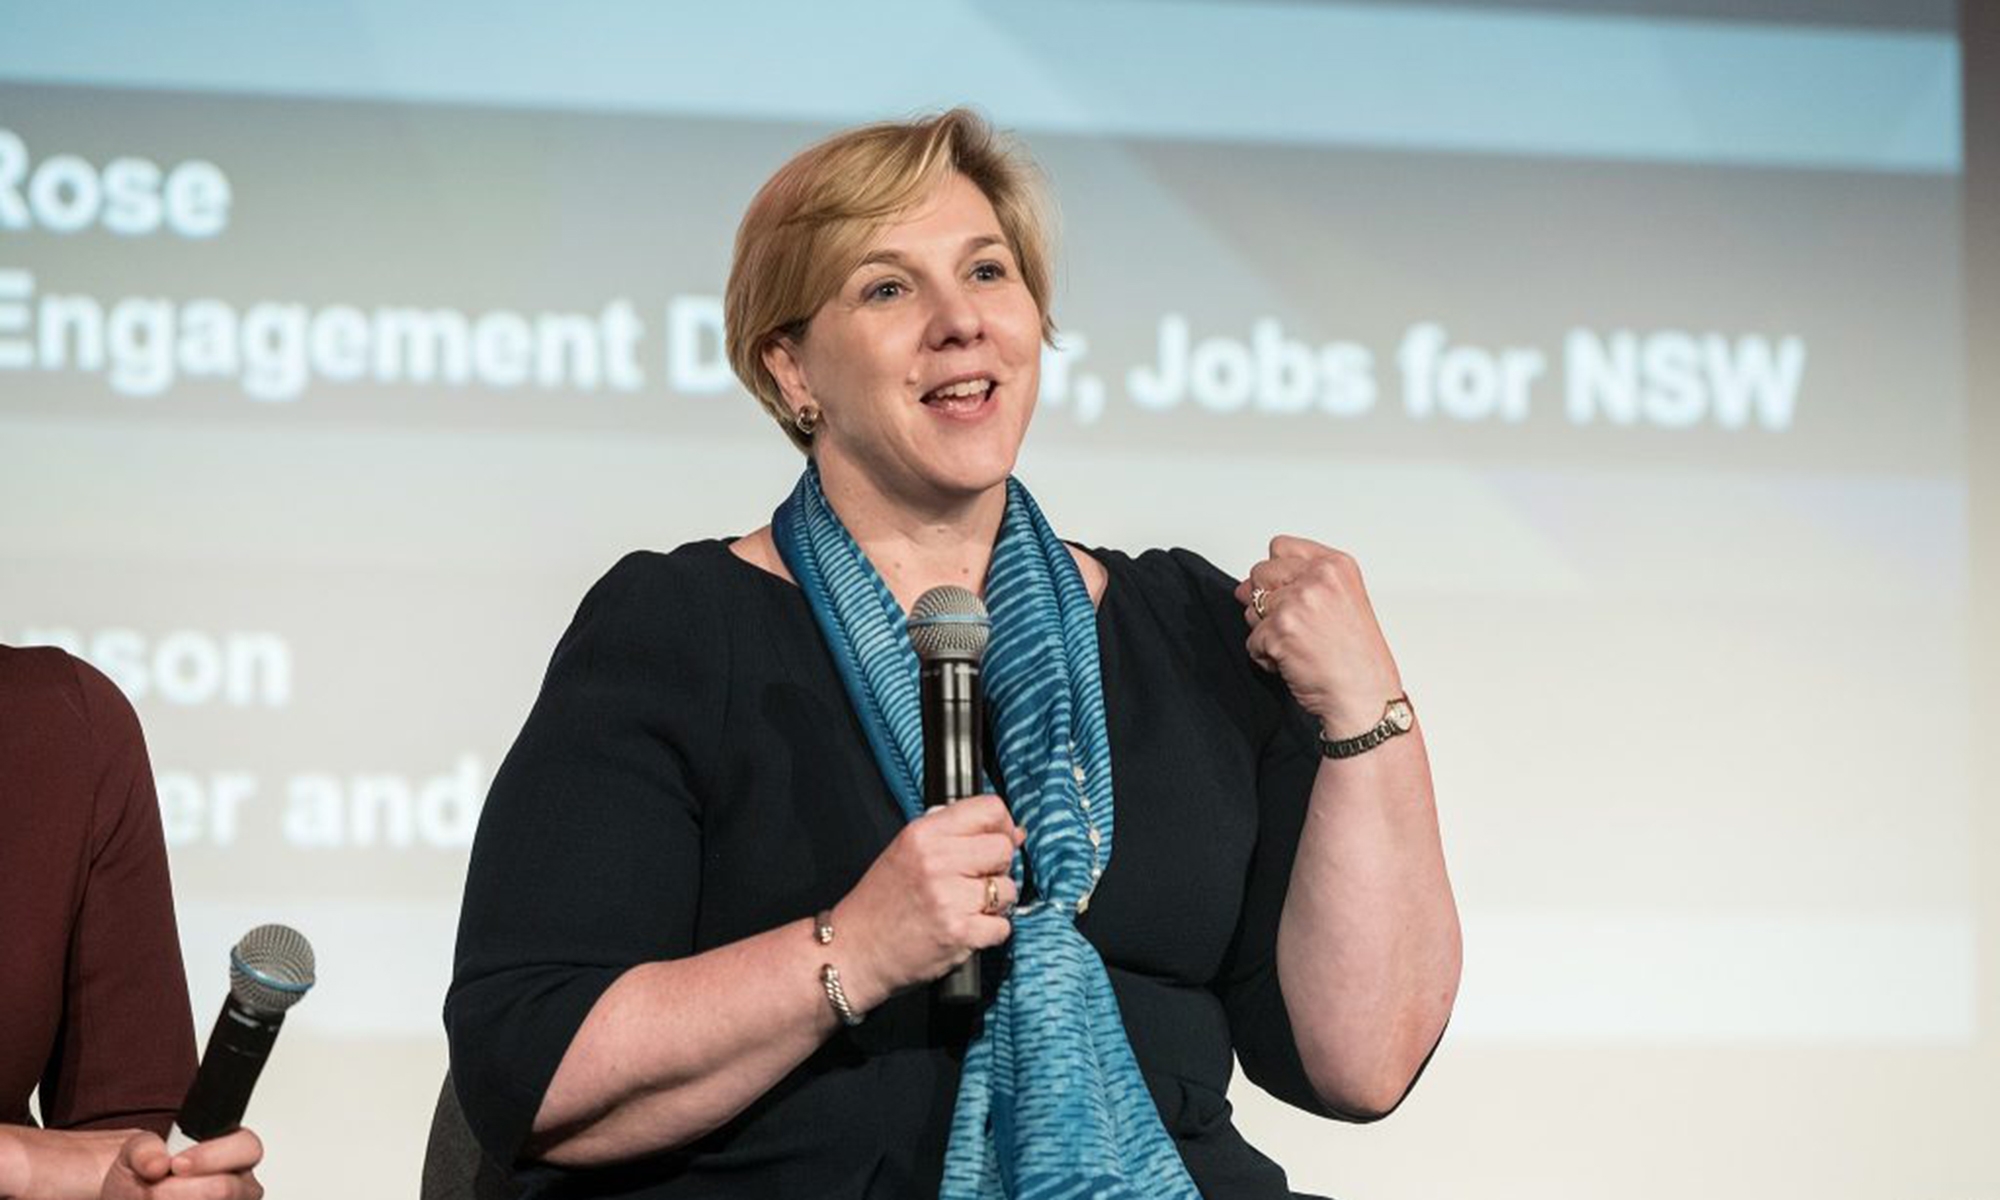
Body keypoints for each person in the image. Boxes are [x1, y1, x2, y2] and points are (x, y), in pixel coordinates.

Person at [446, 109, 1460, 1199]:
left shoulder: (1188, 627)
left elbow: (1360, 1062)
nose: (958, 323)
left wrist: (1366, 717)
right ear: (791, 369)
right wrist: (853, 951)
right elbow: (529, 1067)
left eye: (987, 272)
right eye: (886, 289)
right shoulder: (678, 628)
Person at [0, 645, 265, 1200]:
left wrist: (167, 1181)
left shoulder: (64, 717)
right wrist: (27, 1164)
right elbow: (74, 1166)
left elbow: (130, 1128)